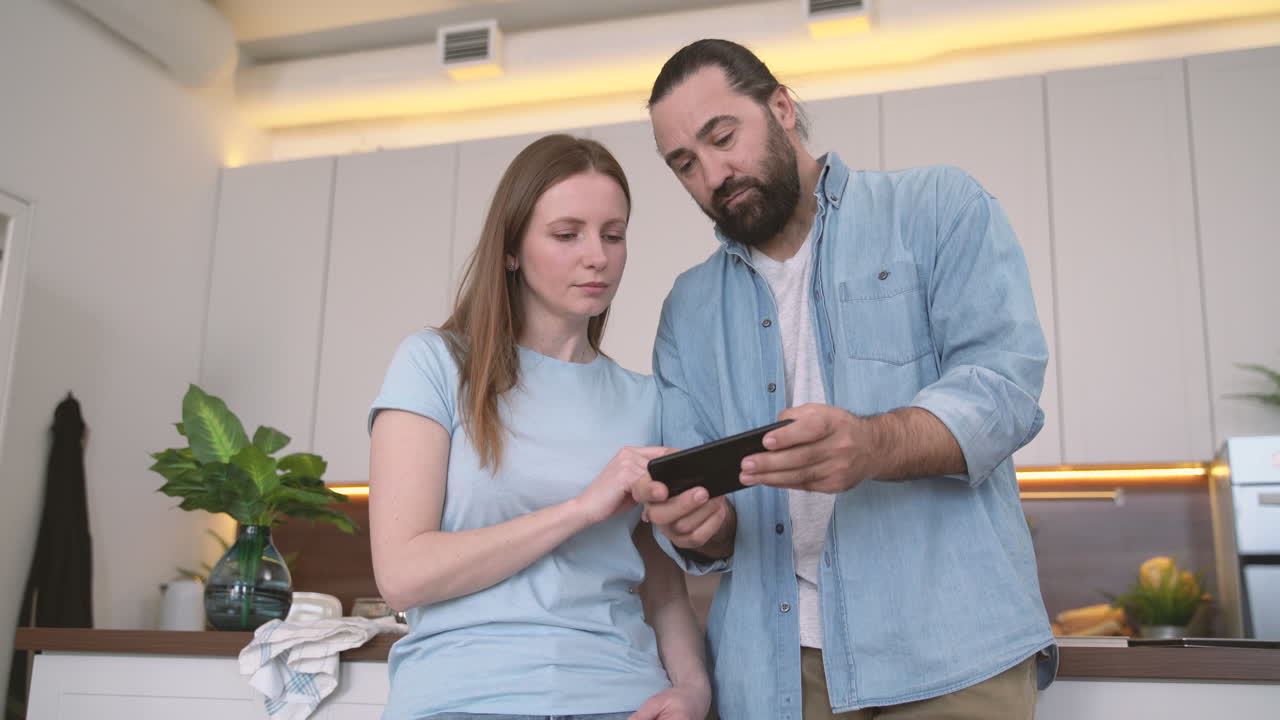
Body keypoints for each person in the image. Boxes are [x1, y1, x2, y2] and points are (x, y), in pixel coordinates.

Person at [631, 39, 1056, 720]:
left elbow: (1002, 391)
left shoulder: (936, 208)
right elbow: (711, 523)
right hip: (772, 678)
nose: (713, 173)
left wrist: (873, 444)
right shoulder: (687, 309)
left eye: (723, 137)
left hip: (949, 658)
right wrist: (696, 527)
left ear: (780, 106)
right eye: (685, 163)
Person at [367, 134, 711, 720]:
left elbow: (662, 585)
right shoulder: (434, 365)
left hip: (622, 698)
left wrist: (694, 690)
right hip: (464, 700)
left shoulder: (646, 399)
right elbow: (402, 575)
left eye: (613, 234)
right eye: (566, 234)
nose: (596, 256)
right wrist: (582, 508)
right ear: (511, 250)